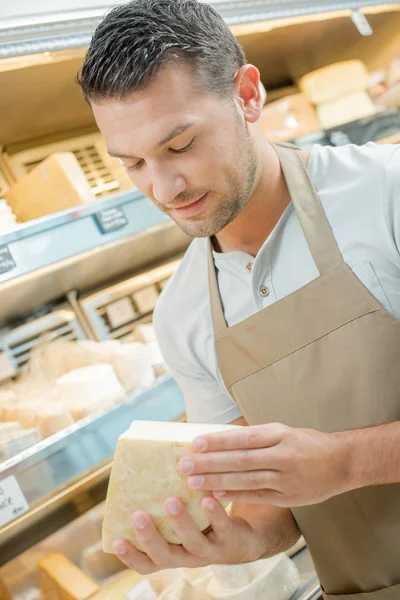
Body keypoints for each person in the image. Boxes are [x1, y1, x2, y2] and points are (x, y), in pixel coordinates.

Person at [78, 1, 400, 597]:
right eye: (133, 164)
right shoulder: (184, 317)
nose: (164, 188)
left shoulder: (386, 193)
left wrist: (347, 463)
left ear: (247, 95)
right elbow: (268, 512)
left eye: (180, 146)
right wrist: (242, 543)